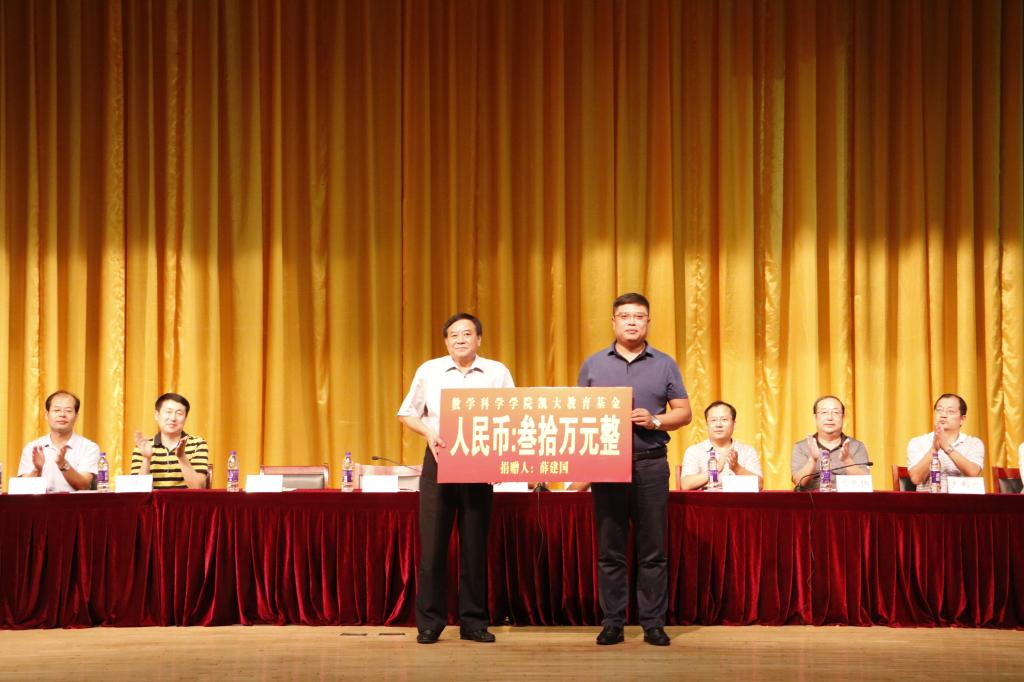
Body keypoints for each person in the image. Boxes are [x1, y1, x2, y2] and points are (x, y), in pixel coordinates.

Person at [578, 293, 691, 647]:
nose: (631, 321)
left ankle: (653, 623)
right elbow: (578, 414)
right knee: (610, 549)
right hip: (606, 465)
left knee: (653, 549)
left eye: (639, 316)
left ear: (648, 322)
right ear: (613, 322)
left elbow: (684, 412)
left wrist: (655, 420)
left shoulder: (665, 363)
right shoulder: (594, 364)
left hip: (651, 465)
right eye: (624, 316)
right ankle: (612, 622)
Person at [397, 312, 515, 645]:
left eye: (467, 334)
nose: (460, 339)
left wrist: (500, 458)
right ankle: (430, 623)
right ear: (446, 341)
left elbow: (513, 413)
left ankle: (474, 622)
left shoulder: (497, 372)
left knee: (475, 547)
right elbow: (407, 413)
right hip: (440, 461)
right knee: (433, 548)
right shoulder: (429, 370)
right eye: (453, 335)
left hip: (480, 464)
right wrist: (428, 433)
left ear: (479, 339)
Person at [17, 390, 100, 492]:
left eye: (68, 411)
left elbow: (83, 485)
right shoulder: (32, 448)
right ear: (47, 415)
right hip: (41, 502)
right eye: (57, 410)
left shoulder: (89, 447)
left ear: (76, 416)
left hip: (77, 502)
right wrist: (37, 470)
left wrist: (63, 465)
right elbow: (23, 489)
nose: (62, 415)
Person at [130, 393, 210, 488]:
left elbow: (198, 487)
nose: (173, 418)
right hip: (154, 498)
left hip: (186, 498)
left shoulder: (198, 444)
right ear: (157, 415)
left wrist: (182, 457)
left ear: (185, 418)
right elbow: (136, 490)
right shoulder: (143, 446)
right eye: (168, 412)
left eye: (179, 413)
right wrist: (146, 459)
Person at [906, 393, 984, 491]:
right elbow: (916, 479)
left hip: (962, 499)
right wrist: (934, 449)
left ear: (962, 419)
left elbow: (973, 473)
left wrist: (947, 447)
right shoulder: (918, 442)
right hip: (927, 499)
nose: (943, 415)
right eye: (939, 410)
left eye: (950, 411)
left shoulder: (974, 443)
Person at [791, 395, 870, 490]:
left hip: (846, 498)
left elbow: (865, 483)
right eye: (824, 412)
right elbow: (798, 482)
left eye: (835, 412)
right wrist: (813, 460)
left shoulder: (856, 446)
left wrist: (846, 460)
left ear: (843, 417)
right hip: (813, 498)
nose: (829, 417)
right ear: (815, 417)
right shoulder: (801, 447)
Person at [680, 400, 763, 490]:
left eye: (724, 419)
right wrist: (715, 470)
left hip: (738, 499)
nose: (718, 424)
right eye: (713, 420)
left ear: (734, 424)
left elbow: (759, 485)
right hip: (705, 499)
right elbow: (685, 485)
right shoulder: (694, 451)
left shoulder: (747, 451)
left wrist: (737, 468)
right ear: (707, 424)